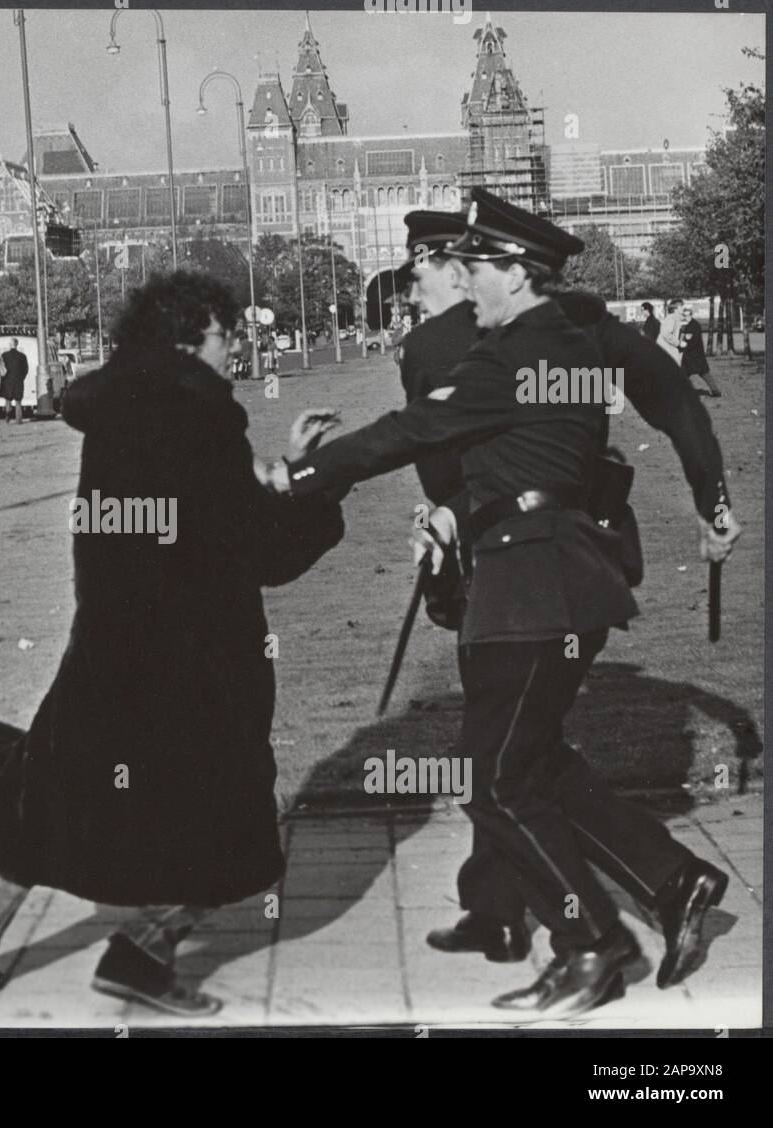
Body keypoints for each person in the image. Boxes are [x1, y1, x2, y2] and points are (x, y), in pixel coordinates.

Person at [264, 189, 738, 1018]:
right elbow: (666, 397)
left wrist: (298, 476)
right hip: (569, 575)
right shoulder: (574, 337)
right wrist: (712, 496)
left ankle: (594, 942)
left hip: (529, 586)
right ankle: (671, 881)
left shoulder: (510, 356)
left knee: (493, 783)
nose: (463, 282)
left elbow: (405, 435)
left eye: (476, 268)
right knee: (533, 762)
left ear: (515, 274)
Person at [0, 271, 347, 1014]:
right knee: (231, 826)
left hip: (110, 653)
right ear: (187, 338)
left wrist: (271, 477)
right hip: (194, 665)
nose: (237, 345)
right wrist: (318, 487)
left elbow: (183, 519)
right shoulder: (199, 416)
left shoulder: (121, 410)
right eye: (226, 332)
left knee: (43, 808)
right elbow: (257, 549)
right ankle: (142, 954)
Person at [387, 212, 743, 993]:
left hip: (515, 573)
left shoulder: (437, 346)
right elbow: (669, 396)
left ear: (457, 265)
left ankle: (618, 909)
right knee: (521, 746)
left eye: (422, 266)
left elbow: (445, 466)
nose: (413, 285)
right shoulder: (579, 320)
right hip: (585, 561)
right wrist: (711, 500)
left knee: (504, 758)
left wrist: (444, 528)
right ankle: (509, 904)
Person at [679, 306, 720, 397]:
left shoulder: (692, 326)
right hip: (696, 355)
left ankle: (680, 392)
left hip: (692, 355)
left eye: (687, 315)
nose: (686, 317)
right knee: (703, 373)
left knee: (685, 373)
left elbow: (690, 341)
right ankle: (715, 390)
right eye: (684, 315)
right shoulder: (693, 324)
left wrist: (681, 347)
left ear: (691, 315)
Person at [0, 338, 27, 423]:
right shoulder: (22, 356)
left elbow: (2, 368)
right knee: (18, 401)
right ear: (17, 344)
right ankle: (19, 419)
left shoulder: (4, 355)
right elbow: (25, 369)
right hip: (18, 381)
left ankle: (7, 416)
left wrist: (3, 378)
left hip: (7, 381)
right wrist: (21, 377)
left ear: (10, 345)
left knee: (8, 400)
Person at [658, 299, 684, 364]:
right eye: (681, 306)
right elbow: (666, 334)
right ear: (676, 308)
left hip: (670, 349)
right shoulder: (671, 318)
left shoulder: (675, 318)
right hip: (668, 349)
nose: (683, 308)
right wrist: (678, 343)